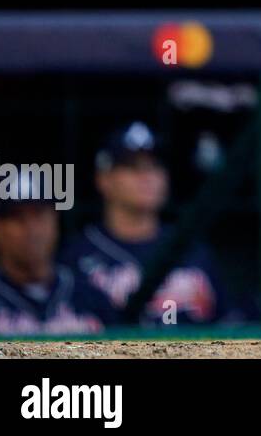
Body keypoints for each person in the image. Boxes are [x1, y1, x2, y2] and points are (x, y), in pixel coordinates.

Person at [59, 122, 227, 325]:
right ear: (104, 179)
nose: (147, 176)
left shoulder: (192, 250)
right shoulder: (76, 257)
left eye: (155, 165)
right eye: (132, 166)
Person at [0, 169, 114, 336]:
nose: (31, 229)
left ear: (55, 219)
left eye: (39, 215)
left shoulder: (91, 298)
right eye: (18, 218)